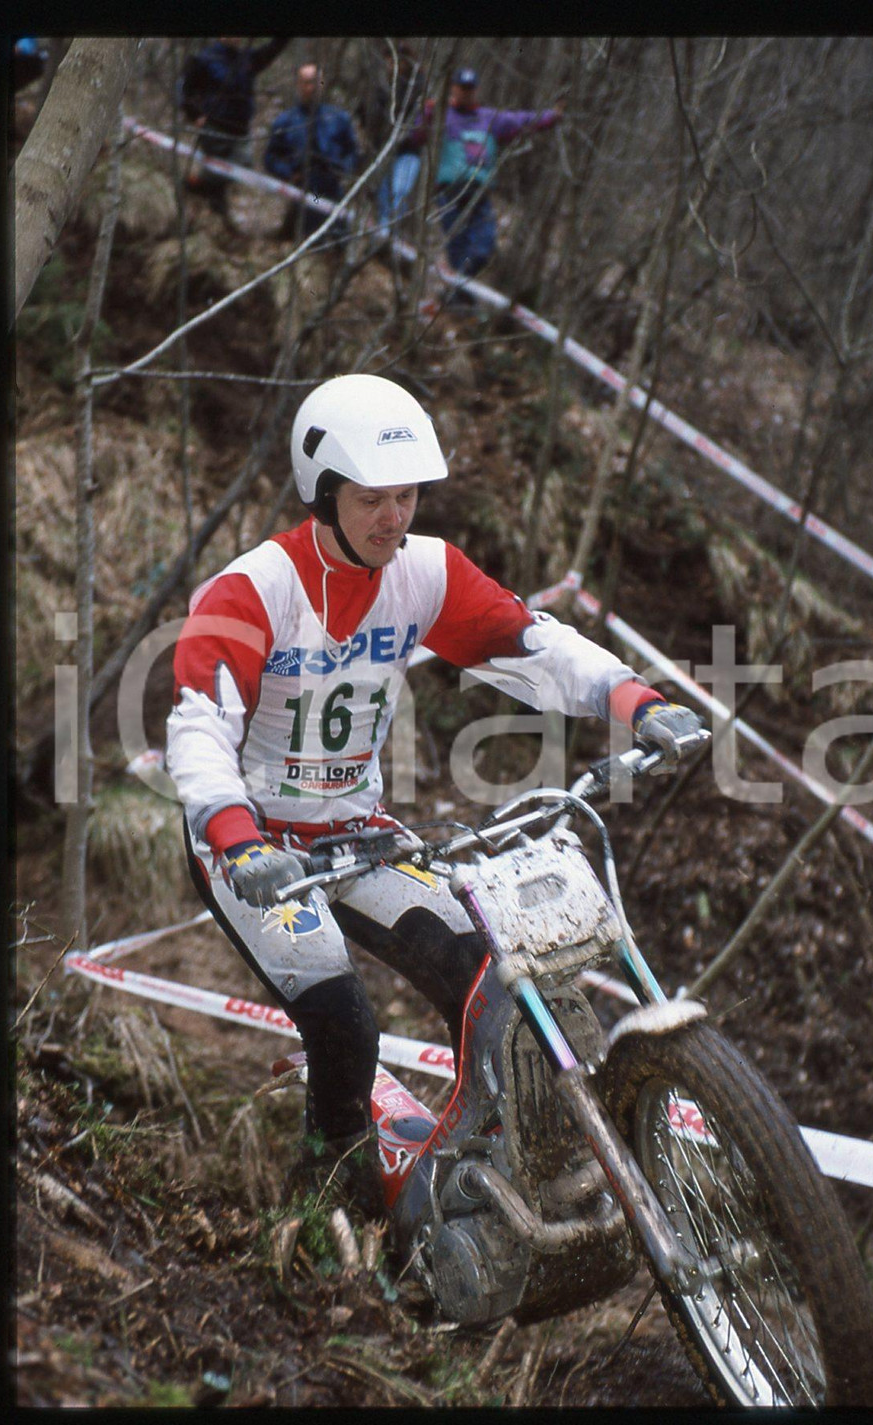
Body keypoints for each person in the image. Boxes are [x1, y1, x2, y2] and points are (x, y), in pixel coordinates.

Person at [165, 374, 702, 1220]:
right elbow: (199, 725)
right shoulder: (252, 589)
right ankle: (328, 1206)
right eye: (374, 498)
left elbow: (532, 644)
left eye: (408, 495)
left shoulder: (423, 573)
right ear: (325, 491)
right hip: (254, 850)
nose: (395, 517)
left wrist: (638, 700)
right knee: (344, 1021)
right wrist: (234, 836)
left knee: (489, 981)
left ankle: (484, 1184)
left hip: (359, 839)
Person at [408, 67, 562, 293]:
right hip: (449, 193)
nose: (466, 93)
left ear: (476, 90)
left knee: (483, 248)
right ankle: (455, 298)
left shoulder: (489, 119)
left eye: (470, 89)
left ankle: (455, 292)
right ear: (453, 88)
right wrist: (426, 114)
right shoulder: (442, 114)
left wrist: (553, 116)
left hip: (479, 194)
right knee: (457, 247)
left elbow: (523, 120)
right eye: (462, 88)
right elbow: (416, 136)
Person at [179, 36, 290, 218]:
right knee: (222, 169)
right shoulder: (206, 58)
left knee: (240, 166)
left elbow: (272, 50)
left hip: (240, 130)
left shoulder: (247, 59)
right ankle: (214, 213)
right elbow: (185, 89)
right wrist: (195, 114)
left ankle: (198, 185)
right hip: (215, 127)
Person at [264, 63, 360, 241]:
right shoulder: (286, 121)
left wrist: (345, 170)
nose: (312, 88)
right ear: (298, 85)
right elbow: (270, 158)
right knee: (310, 229)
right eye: (307, 82)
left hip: (334, 187)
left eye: (316, 82)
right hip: (306, 189)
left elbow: (353, 152)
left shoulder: (338, 119)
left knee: (339, 234)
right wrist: (289, 173)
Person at [359, 42, 425, 240]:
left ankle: (390, 235)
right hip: (381, 149)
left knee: (399, 192)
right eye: (389, 61)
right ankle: (380, 236)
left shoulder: (418, 87)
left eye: (397, 61)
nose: (392, 65)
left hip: (407, 150)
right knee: (381, 193)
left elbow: (421, 120)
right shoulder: (379, 88)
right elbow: (365, 115)